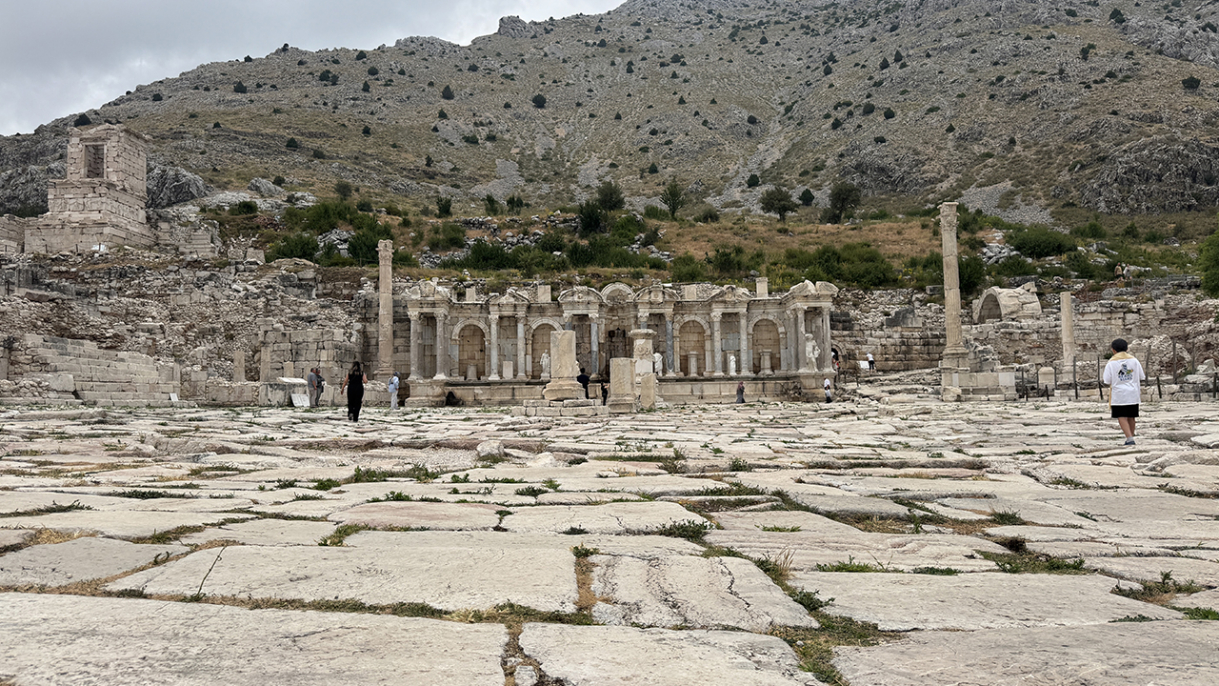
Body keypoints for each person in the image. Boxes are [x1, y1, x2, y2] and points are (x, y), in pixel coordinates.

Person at [1102, 338, 1145, 446]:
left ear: (1113, 350)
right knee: (1131, 416)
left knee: (1121, 416)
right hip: (1133, 392)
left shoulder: (1111, 363)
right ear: (1126, 348)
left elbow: (1107, 380)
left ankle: (1129, 438)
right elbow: (1141, 376)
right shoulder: (1134, 361)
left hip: (1119, 393)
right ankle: (1131, 436)